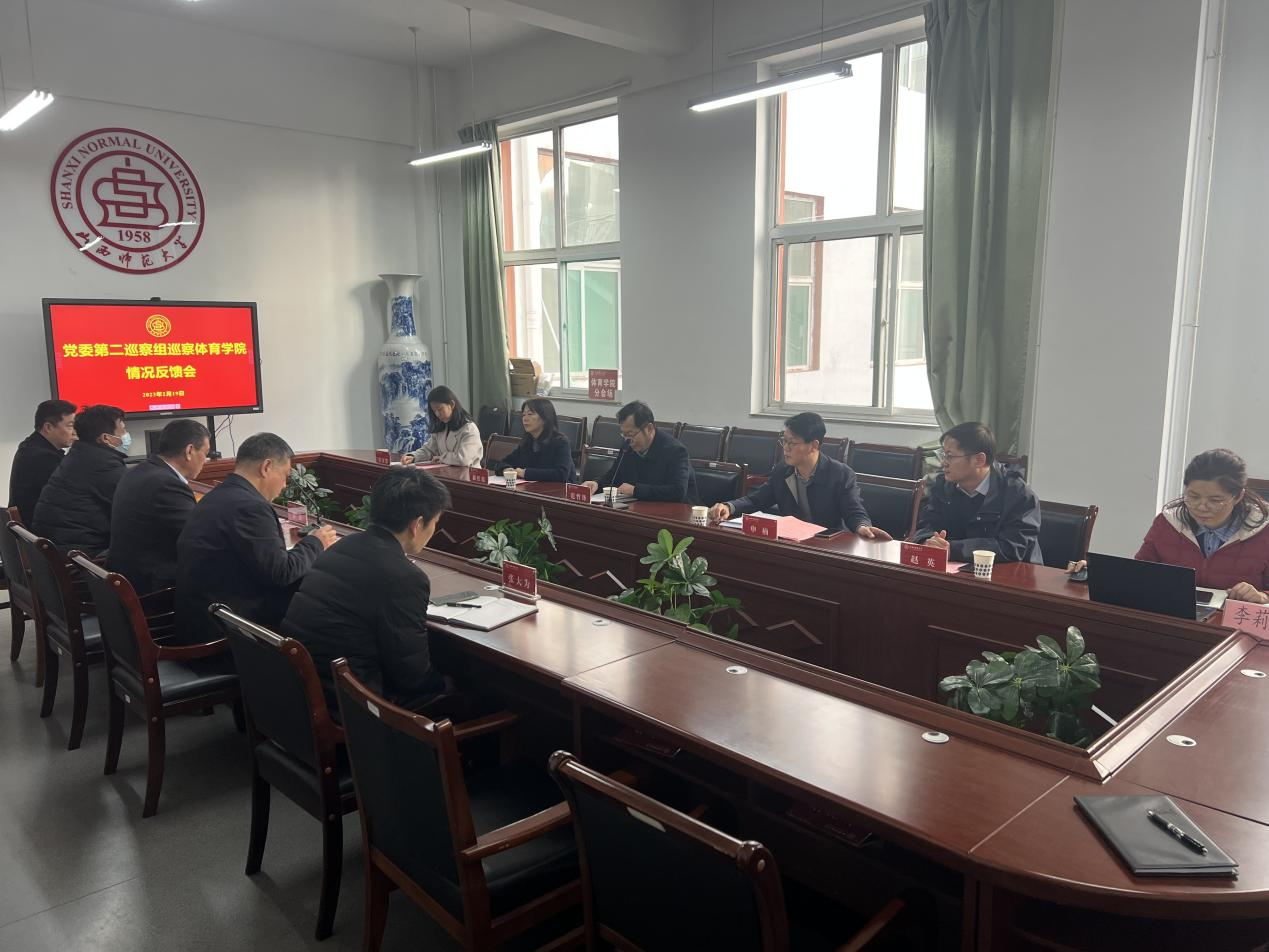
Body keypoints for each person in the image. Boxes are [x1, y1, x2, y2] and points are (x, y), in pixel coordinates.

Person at [282, 467, 451, 715]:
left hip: (298, 688)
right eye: (435, 522)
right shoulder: (405, 577)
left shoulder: (339, 547)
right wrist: (447, 683)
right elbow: (411, 676)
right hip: (350, 705)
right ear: (417, 524)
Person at [176, 433, 336, 644]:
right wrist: (316, 542)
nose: (285, 485)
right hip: (223, 630)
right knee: (321, 599)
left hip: (202, 615)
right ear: (266, 467)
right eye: (285, 475)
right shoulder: (250, 507)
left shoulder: (218, 495)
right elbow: (281, 573)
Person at [1070, 449, 1269, 604]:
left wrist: (1261, 596)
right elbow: (1140, 572)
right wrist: (1097, 572)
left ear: (1238, 496)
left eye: (1215, 500)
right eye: (1193, 496)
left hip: (1234, 628)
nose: (1202, 507)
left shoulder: (1263, 532)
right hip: (1176, 619)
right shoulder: (1168, 523)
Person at [708, 412, 890, 539]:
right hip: (791, 543)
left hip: (827, 546)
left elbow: (854, 511)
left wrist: (862, 527)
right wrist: (729, 506)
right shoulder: (782, 471)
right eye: (784, 441)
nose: (785, 448)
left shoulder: (840, 474)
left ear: (814, 445)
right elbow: (757, 500)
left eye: (792, 443)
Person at [912, 422, 1043, 564]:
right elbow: (925, 525)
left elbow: (1011, 547)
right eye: (942, 454)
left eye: (949, 456)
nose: (943, 462)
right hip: (955, 569)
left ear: (979, 460)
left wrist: (953, 550)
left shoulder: (1019, 494)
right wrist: (928, 541)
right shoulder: (942, 485)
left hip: (1010, 573)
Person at [107, 419, 211, 598]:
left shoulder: (139, 471)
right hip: (154, 590)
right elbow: (200, 539)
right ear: (189, 451)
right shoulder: (166, 485)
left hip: (128, 579)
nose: (206, 461)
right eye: (205, 453)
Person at [32, 404, 129, 555]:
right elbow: (134, 507)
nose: (126, 436)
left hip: (59, 549)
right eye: (123, 431)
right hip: (81, 557)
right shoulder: (101, 464)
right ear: (105, 438)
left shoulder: (80, 455)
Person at [580, 400, 699, 503]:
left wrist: (635, 490)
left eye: (631, 434)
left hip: (678, 514)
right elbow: (613, 477)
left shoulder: (675, 451)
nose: (627, 439)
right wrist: (596, 484)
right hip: (641, 509)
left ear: (649, 429)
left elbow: (678, 491)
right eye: (624, 434)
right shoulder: (628, 447)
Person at [7, 399, 77, 525]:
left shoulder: (31, 446)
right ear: (48, 427)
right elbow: (70, 494)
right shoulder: (41, 456)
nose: (75, 432)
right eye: (70, 426)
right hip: (39, 530)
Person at [401, 386, 483, 467]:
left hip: (468, 474)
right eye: (434, 411)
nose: (437, 414)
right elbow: (429, 450)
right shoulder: (441, 427)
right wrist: (413, 457)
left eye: (440, 409)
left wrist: (442, 458)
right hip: (447, 472)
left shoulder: (469, 429)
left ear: (452, 404)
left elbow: (463, 459)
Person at [501, 398, 577, 483]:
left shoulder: (560, 442)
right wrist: (506, 469)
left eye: (530, 414)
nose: (525, 419)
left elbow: (561, 474)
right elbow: (504, 462)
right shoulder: (527, 441)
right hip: (532, 488)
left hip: (560, 490)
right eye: (523, 415)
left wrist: (525, 473)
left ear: (545, 418)